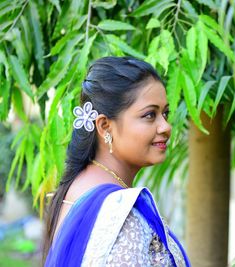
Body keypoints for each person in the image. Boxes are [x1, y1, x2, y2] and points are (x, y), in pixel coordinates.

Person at [43, 56, 190, 266]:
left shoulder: (78, 186)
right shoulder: (119, 215)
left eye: (165, 114)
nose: (165, 127)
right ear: (104, 126)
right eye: (150, 115)